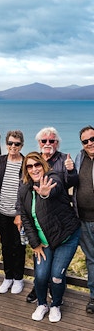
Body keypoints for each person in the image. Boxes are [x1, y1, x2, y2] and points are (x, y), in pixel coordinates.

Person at [18, 151, 80, 322]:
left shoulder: (53, 178)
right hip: (44, 242)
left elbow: (55, 188)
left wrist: (44, 193)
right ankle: (42, 304)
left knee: (56, 276)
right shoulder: (24, 189)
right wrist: (35, 244)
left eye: (37, 164)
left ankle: (56, 305)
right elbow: (26, 219)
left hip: (65, 238)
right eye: (29, 166)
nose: (34, 168)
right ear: (26, 169)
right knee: (40, 275)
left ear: (43, 165)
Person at [25, 126, 78, 303]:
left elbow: (67, 184)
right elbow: (24, 196)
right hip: (42, 227)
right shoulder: (31, 162)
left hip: (59, 221)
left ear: (57, 143)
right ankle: (39, 289)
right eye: (44, 141)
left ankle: (55, 297)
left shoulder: (63, 161)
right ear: (39, 143)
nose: (48, 144)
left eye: (51, 141)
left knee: (56, 271)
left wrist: (70, 171)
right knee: (41, 270)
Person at [0, 130, 26, 294]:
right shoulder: (0, 161)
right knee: (5, 245)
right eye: (10, 143)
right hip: (1, 212)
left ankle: (19, 279)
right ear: (6, 144)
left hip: (19, 214)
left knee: (19, 247)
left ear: (21, 145)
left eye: (16, 144)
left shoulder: (26, 163)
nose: (13, 146)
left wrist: (21, 213)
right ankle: (8, 277)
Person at [74, 126, 94, 314]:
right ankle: (93, 297)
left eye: (92, 139)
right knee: (91, 259)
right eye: (85, 141)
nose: (90, 143)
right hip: (84, 219)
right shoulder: (80, 157)